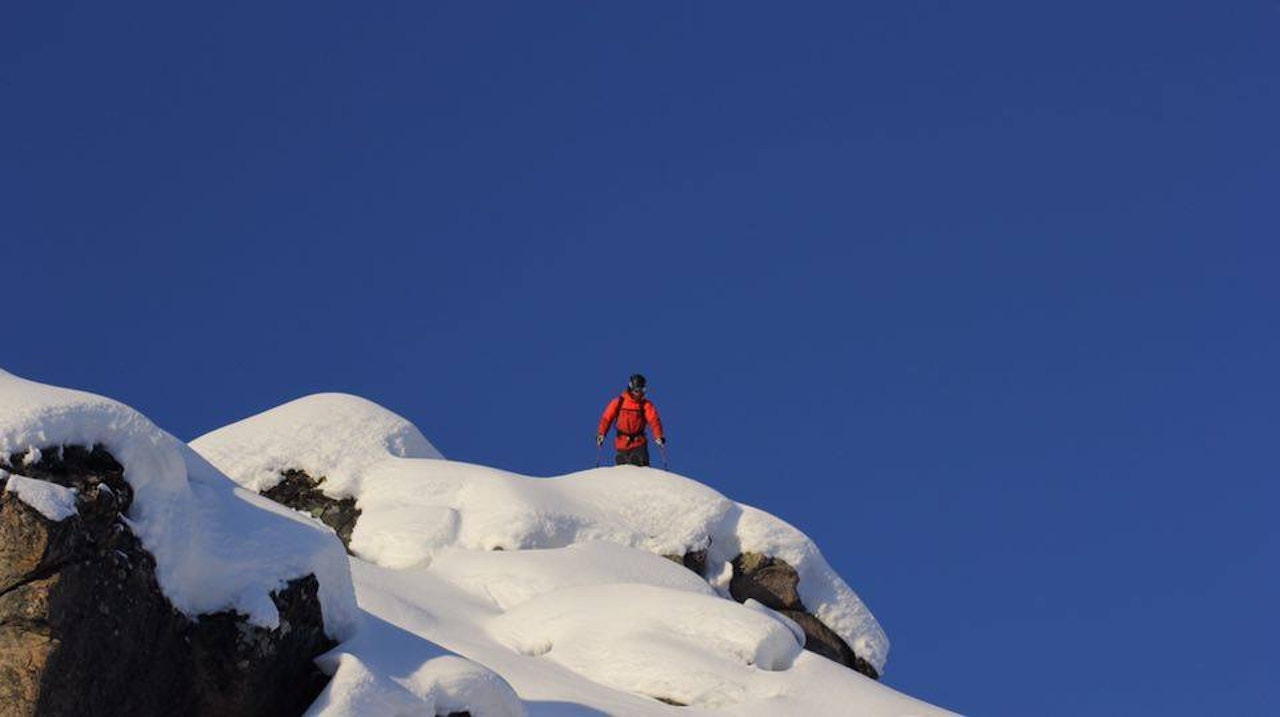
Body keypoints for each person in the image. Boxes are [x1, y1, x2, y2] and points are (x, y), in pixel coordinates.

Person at [596, 374, 666, 467]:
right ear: (631, 388)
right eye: (637, 390)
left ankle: (639, 463)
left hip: (639, 443)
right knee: (624, 462)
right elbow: (606, 418)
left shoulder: (645, 405)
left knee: (640, 462)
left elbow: (654, 420)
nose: (639, 393)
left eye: (642, 390)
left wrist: (658, 436)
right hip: (622, 442)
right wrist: (601, 433)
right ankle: (623, 462)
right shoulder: (619, 402)